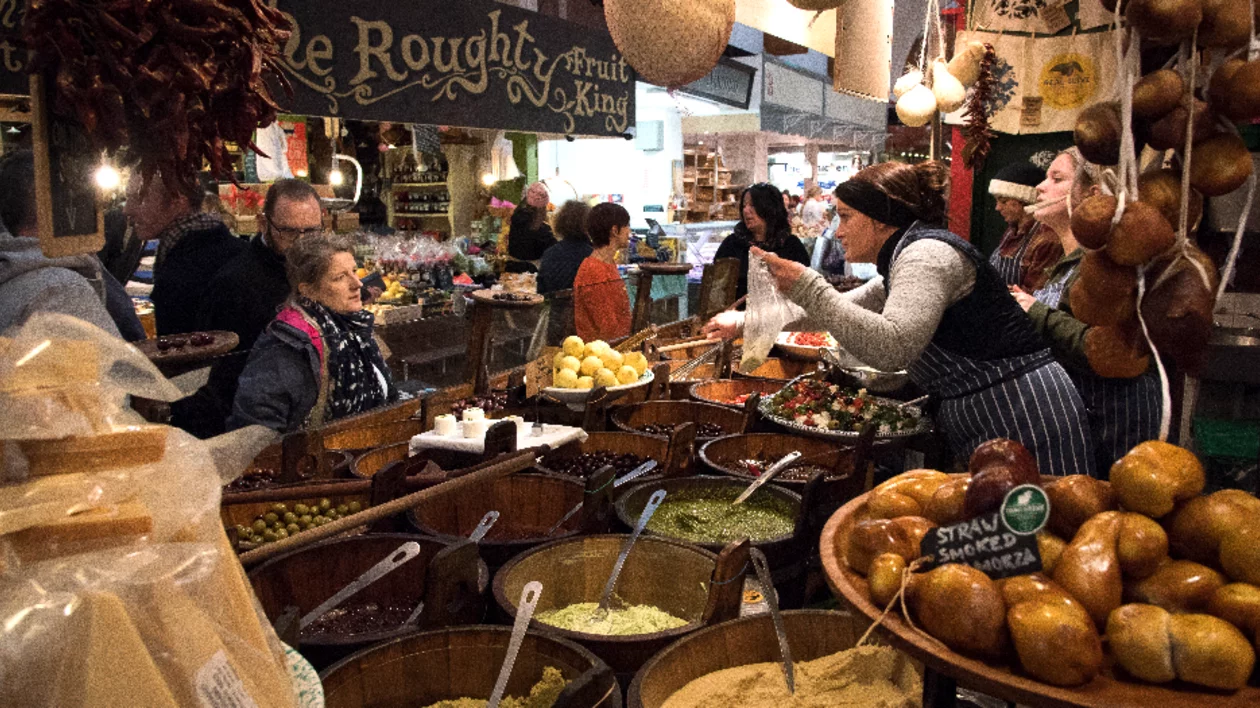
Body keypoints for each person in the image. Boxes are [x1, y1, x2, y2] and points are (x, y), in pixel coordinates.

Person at [703, 161, 1096, 478]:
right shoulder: (905, 255)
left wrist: (807, 285)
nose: (838, 232)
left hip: (1023, 413)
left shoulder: (926, 255)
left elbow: (892, 347)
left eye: (846, 217)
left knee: (1044, 544)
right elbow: (843, 305)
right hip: (988, 411)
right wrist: (742, 322)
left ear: (879, 219)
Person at [1012, 148, 1160, 474]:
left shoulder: (1107, 266)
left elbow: (1111, 350)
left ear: (1092, 195)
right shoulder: (1065, 263)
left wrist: (1034, 311)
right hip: (1079, 416)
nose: (1040, 187)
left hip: (1113, 421)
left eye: (1056, 178)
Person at [178, 179, 324, 437]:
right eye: (289, 232)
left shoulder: (315, 272)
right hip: (253, 428)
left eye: (311, 232)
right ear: (262, 224)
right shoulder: (235, 284)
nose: (302, 243)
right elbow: (219, 376)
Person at [229, 233, 397, 433]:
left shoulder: (354, 328)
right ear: (307, 290)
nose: (357, 283)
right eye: (340, 277)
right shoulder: (291, 342)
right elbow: (254, 431)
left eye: (354, 271)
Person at [0, 149, 132, 338]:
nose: (98, 206)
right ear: (58, 202)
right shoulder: (62, 291)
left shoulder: (14, 274)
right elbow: (113, 367)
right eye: (82, 192)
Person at [128, 169, 245, 335]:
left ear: (177, 201)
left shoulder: (181, 274)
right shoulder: (229, 249)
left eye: (139, 198)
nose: (127, 209)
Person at [713, 183, 811, 300]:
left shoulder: (791, 245)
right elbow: (716, 289)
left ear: (769, 208)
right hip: (737, 316)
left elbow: (805, 290)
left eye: (752, 205)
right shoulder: (731, 244)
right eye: (744, 205)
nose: (746, 210)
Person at [988, 162, 1062, 292]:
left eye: (1004, 201)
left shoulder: (1047, 239)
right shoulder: (1012, 231)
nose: (997, 207)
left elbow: (1034, 294)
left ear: (1025, 200)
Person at [572, 203, 632, 342]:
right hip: (602, 354)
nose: (629, 231)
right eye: (627, 225)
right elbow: (607, 328)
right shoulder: (593, 270)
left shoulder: (608, 263)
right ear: (614, 230)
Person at [537, 200, 592, 295]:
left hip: (553, 308)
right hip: (581, 309)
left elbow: (541, 290)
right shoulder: (592, 255)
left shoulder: (550, 253)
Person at [504, 181, 555, 273]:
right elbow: (553, 251)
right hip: (531, 272)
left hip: (511, 268)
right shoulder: (542, 228)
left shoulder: (515, 217)